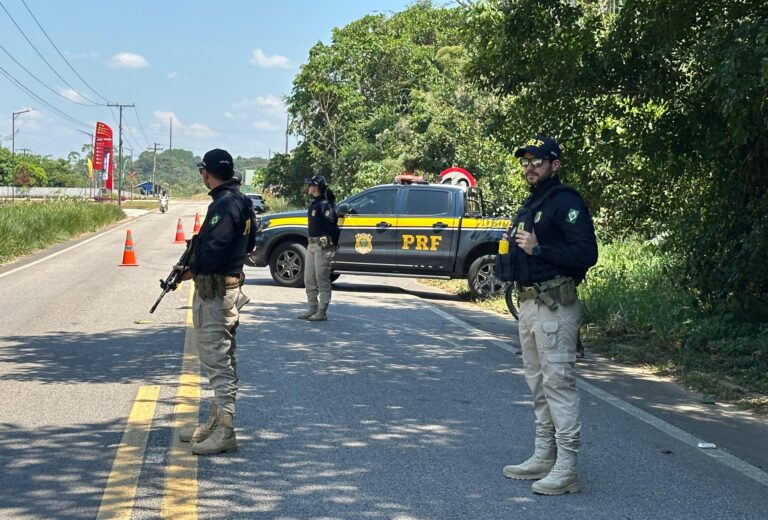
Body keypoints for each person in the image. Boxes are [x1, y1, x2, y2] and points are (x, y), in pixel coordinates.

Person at [499, 136, 598, 495]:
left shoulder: (566, 201)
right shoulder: (533, 202)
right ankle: (544, 456)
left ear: (554, 165)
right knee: (538, 385)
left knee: (558, 385)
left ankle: (567, 468)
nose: (530, 167)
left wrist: (539, 249)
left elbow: (586, 254)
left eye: (537, 161)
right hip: (530, 305)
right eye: (525, 162)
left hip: (554, 306)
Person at [176, 148, 253, 455]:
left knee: (217, 361)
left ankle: (225, 432)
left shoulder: (225, 204)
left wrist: (190, 269)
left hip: (216, 292)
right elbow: (249, 243)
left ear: (206, 173)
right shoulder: (240, 201)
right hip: (226, 288)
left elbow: (214, 251)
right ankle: (215, 423)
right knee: (222, 359)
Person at [297, 175, 340, 321]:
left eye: (310, 185)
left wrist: (333, 243)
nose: (308, 187)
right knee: (308, 278)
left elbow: (333, 223)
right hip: (312, 245)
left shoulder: (324, 205)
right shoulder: (314, 204)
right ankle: (312, 307)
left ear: (315, 187)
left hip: (323, 246)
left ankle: (322, 311)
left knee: (321, 278)